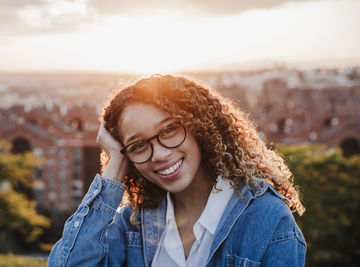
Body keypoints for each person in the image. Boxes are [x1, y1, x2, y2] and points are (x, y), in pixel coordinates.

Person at [48, 74, 306, 267]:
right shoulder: (132, 223)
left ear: (199, 127)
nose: (159, 154)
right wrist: (114, 165)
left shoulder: (269, 221)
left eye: (169, 130)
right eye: (138, 146)